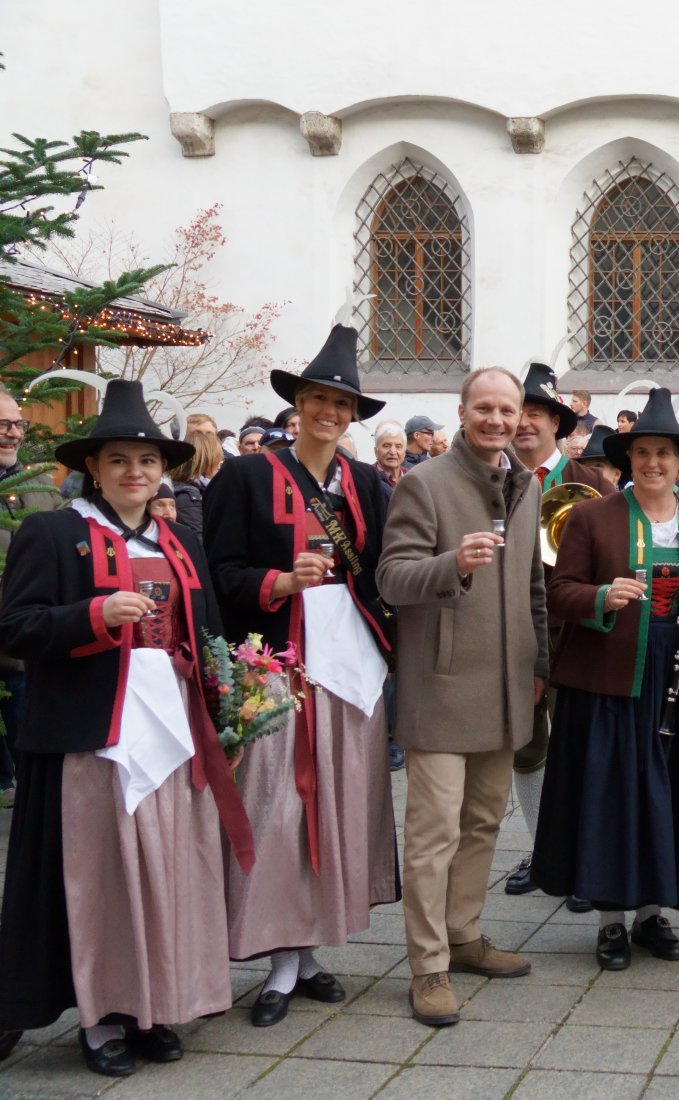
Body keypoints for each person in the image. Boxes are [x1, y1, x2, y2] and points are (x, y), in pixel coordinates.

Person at [0, 380, 254, 1077]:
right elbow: (15, 628)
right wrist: (92, 616)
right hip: (93, 742)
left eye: (146, 461)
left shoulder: (181, 541)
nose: (134, 472)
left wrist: (228, 710)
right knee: (105, 879)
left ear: (163, 469)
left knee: (170, 869)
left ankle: (156, 1006)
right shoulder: (54, 533)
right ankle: (103, 1017)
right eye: (118, 460)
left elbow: (209, 634)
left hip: (173, 734)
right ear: (94, 468)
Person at [203, 325, 398, 1028]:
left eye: (342, 404)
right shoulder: (247, 476)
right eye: (319, 399)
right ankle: (279, 956)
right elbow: (216, 573)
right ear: (299, 405)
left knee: (338, 803)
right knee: (279, 806)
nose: (330, 412)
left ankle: (309, 951)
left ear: (352, 416)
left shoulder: (367, 483)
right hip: (275, 664)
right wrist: (279, 581)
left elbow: (382, 575)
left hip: (350, 667)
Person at [531, 388, 679, 971]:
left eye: (664, 453)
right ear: (628, 460)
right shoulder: (591, 517)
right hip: (611, 682)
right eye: (642, 452)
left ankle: (652, 914)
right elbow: (558, 592)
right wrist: (602, 595)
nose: (653, 463)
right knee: (613, 798)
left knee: (669, 794)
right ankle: (611, 922)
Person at [377, 367, 548, 1024]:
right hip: (442, 688)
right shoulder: (424, 484)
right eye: (485, 408)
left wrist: (540, 661)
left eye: (507, 409)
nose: (497, 420)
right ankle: (428, 965)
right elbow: (392, 578)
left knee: (482, 823)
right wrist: (453, 563)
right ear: (462, 411)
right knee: (434, 833)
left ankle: (464, 933)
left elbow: (533, 585)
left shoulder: (527, 484)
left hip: (507, 686)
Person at [499, 362, 612, 900]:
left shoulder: (590, 482)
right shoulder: (489, 478)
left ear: (555, 424)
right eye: (518, 412)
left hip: (576, 632)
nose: (525, 422)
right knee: (526, 747)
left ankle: (586, 857)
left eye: (536, 413)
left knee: (582, 745)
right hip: (512, 632)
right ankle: (542, 850)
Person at [0, 390, 63, 810]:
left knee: (33, 757)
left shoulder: (41, 487)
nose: (13, 433)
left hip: (27, 648)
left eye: (18, 424)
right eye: (3, 425)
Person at [166, 429, 222, 536]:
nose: (220, 463)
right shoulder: (189, 497)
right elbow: (198, 539)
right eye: (217, 458)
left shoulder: (196, 490)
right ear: (205, 460)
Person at [373, 422, 406, 497]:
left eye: (398, 446)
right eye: (386, 446)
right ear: (376, 451)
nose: (393, 452)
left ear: (404, 453)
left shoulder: (412, 476)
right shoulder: (368, 478)